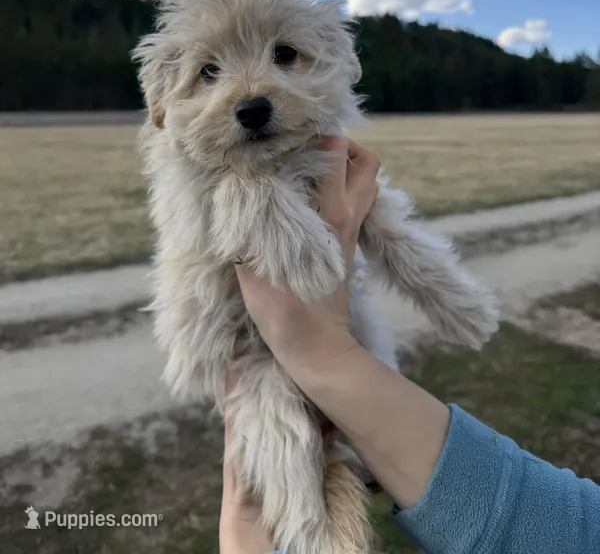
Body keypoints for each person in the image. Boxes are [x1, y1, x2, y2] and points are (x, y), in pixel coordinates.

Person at [219, 136, 600, 554]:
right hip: (254, 362)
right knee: (290, 479)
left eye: (288, 62)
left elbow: (379, 217)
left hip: (307, 357)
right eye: (210, 70)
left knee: (276, 488)